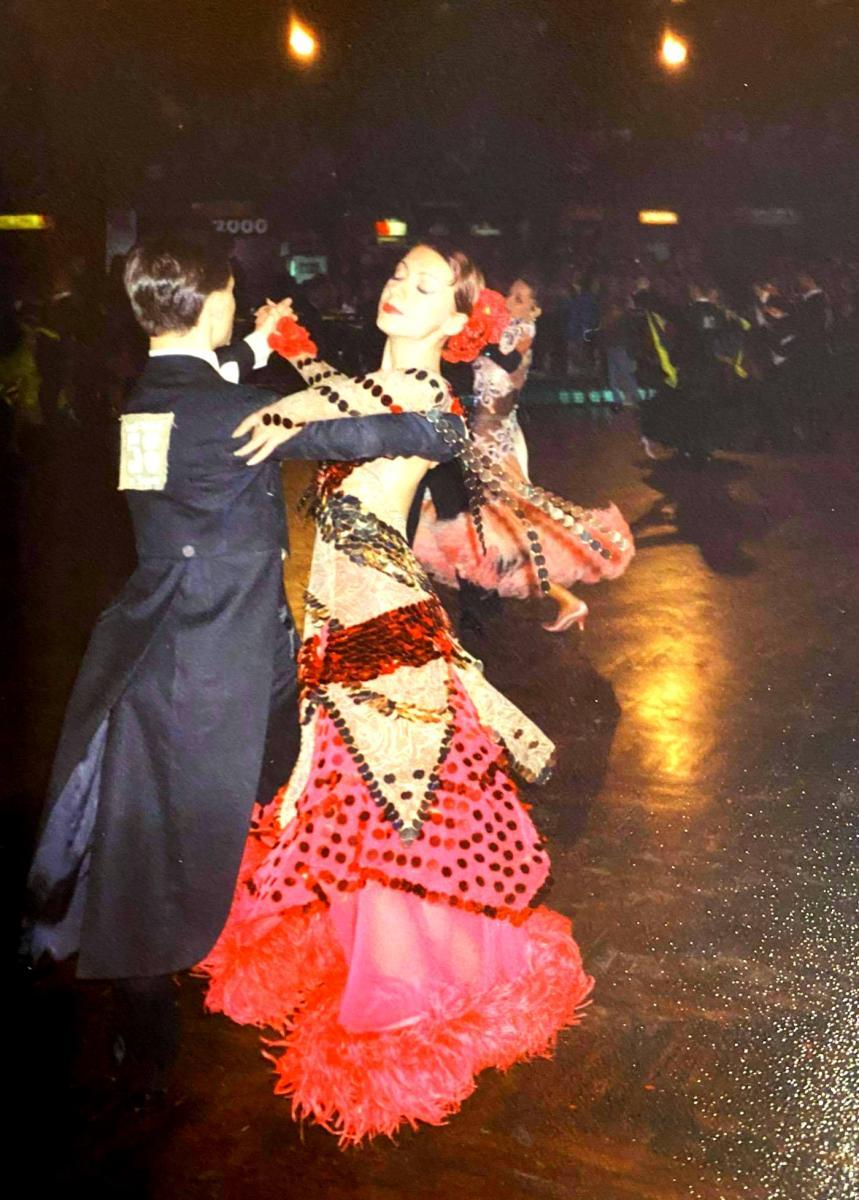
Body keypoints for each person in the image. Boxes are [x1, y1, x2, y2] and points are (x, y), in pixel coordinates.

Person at [24, 233, 465, 1099]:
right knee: (179, 815)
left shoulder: (147, 394)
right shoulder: (232, 415)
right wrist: (440, 429)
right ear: (212, 301)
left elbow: (212, 382)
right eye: (228, 293)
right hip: (209, 646)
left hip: (175, 624)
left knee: (234, 788)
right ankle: (145, 996)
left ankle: (208, 937)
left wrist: (258, 348)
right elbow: (362, 430)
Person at [198, 244, 611, 1144]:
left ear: (456, 321)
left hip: (383, 627)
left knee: (390, 805)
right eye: (395, 276)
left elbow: (346, 417)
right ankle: (393, 959)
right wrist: (291, 356)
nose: (396, 290)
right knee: (358, 801)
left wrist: (273, 394)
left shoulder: (426, 398)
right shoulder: (370, 386)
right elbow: (337, 398)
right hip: (337, 620)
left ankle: (406, 991)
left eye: (422, 287)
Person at [412, 276, 634, 632]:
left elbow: (508, 361)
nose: (509, 301)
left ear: (535, 309)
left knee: (502, 527)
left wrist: (478, 341)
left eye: (519, 298)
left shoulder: (523, 331)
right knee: (493, 526)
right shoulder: (504, 329)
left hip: (492, 441)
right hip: (486, 435)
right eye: (509, 294)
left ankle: (563, 599)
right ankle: (525, 598)